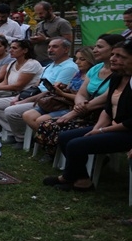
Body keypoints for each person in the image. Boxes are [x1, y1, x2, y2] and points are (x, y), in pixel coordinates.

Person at [42, 40, 132, 191]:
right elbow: (108, 109)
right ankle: (82, 179)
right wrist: (97, 129)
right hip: (112, 126)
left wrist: (102, 131)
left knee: (76, 144)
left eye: (120, 56)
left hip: (126, 131)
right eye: (113, 55)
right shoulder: (117, 77)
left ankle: (69, 177)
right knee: (65, 136)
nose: (113, 59)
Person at [35, 34, 123, 153]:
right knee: (47, 124)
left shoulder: (120, 73)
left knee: (57, 127)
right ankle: (54, 154)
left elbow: (106, 98)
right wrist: (80, 104)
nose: (95, 50)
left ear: (114, 48)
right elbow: (82, 93)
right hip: (83, 111)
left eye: (99, 47)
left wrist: (74, 112)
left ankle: (73, 158)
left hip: (100, 116)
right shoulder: (96, 68)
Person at [0, 38, 78, 147]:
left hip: (50, 102)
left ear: (66, 49)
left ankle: (22, 138)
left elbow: (52, 93)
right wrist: (20, 97)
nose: (50, 49)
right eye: (49, 47)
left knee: (11, 111)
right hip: (35, 96)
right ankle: (18, 133)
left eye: (55, 47)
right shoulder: (50, 65)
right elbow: (36, 86)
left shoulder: (69, 67)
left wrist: (24, 101)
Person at [21, 47, 94, 134]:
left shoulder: (92, 76)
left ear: (91, 60)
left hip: (73, 107)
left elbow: (85, 98)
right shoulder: (78, 73)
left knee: (40, 120)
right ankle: (47, 140)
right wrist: (62, 87)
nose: (77, 62)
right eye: (76, 59)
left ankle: (52, 141)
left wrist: (62, 93)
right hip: (62, 103)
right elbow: (70, 89)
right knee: (27, 115)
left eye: (82, 59)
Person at [0, 39, 42, 120]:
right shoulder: (12, 63)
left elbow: (18, 86)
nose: (10, 50)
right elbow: (5, 82)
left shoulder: (31, 64)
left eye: (14, 48)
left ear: (25, 50)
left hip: (24, 95)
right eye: (10, 48)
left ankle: (11, 129)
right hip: (11, 92)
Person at [30, 1, 73, 65]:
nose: (39, 16)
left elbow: (68, 40)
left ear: (50, 10)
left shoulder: (62, 23)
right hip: (38, 60)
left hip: (52, 60)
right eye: (37, 14)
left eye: (41, 13)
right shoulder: (40, 24)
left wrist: (46, 39)